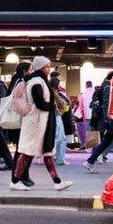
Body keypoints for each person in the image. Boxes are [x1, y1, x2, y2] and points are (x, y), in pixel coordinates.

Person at [11, 56, 73, 191]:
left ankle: (57, 181)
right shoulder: (36, 82)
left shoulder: (39, 81)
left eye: (49, 66)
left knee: (47, 153)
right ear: (39, 67)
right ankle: (15, 181)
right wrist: (52, 106)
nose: (48, 69)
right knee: (28, 152)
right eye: (46, 66)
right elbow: (39, 103)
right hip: (36, 123)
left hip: (42, 123)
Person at [83, 71, 113, 173]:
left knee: (106, 142)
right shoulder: (108, 88)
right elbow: (107, 105)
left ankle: (90, 161)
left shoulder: (106, 87)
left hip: (110, 119)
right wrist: (109, 119)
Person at [49, 72, 71, 165]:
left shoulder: (49, 91)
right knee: (60, 138)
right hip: (57, 115)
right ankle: (59, 159)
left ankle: (54, 157)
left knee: (57, 137)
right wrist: (65, 103)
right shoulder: (55, 92)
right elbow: (62, 103)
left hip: (53, 116)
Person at [75, 80, 94, 148]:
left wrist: (83, 116)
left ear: (86, 86)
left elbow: (81, 107)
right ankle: (94, 146)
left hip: (87, 115)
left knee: (88, 131)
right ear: (91, 85)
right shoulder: (94, 92)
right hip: (95, 115)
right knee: (94, 130)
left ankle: (89, 147)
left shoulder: (83, 94)